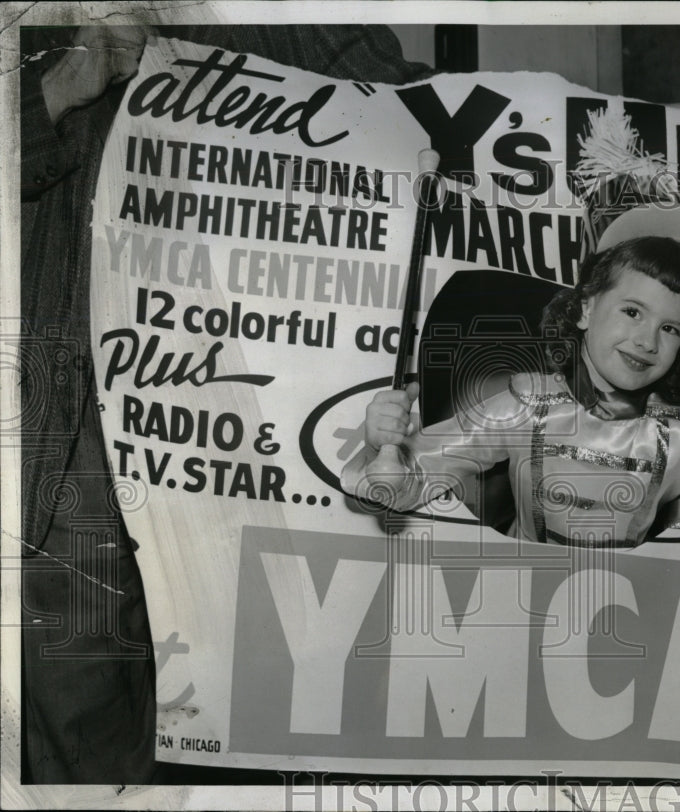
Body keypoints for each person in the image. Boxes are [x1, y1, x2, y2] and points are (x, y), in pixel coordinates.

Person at [20, 22, 430, 784]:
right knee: (77, 745)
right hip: (65, 436)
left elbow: (413, 116)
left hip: (238, 435)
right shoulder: (32, 35)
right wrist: (53, 91)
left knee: (259, 725)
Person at [342, 203, 680, 643]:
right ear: (586, 309)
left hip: (627, 629)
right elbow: (393, 491)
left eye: (671, 329)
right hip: (509, 620)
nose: (646, 340)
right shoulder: (523, 407)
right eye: (632, 311)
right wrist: (385, 448)